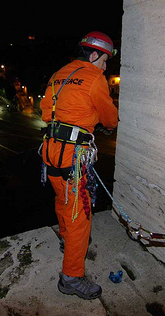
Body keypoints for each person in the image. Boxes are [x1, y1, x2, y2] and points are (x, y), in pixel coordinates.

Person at [39, 31, 119, 300]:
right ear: (94, 54)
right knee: (79, 215)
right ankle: (71, 277)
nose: (106, 67)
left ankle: (66, 239)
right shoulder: (95, 78)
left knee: (63, 200)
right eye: (105, 61)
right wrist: (100, 120)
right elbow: (110, 118)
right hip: (73, 155)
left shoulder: (59, 73)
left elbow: (45, 111)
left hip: (50, 151)